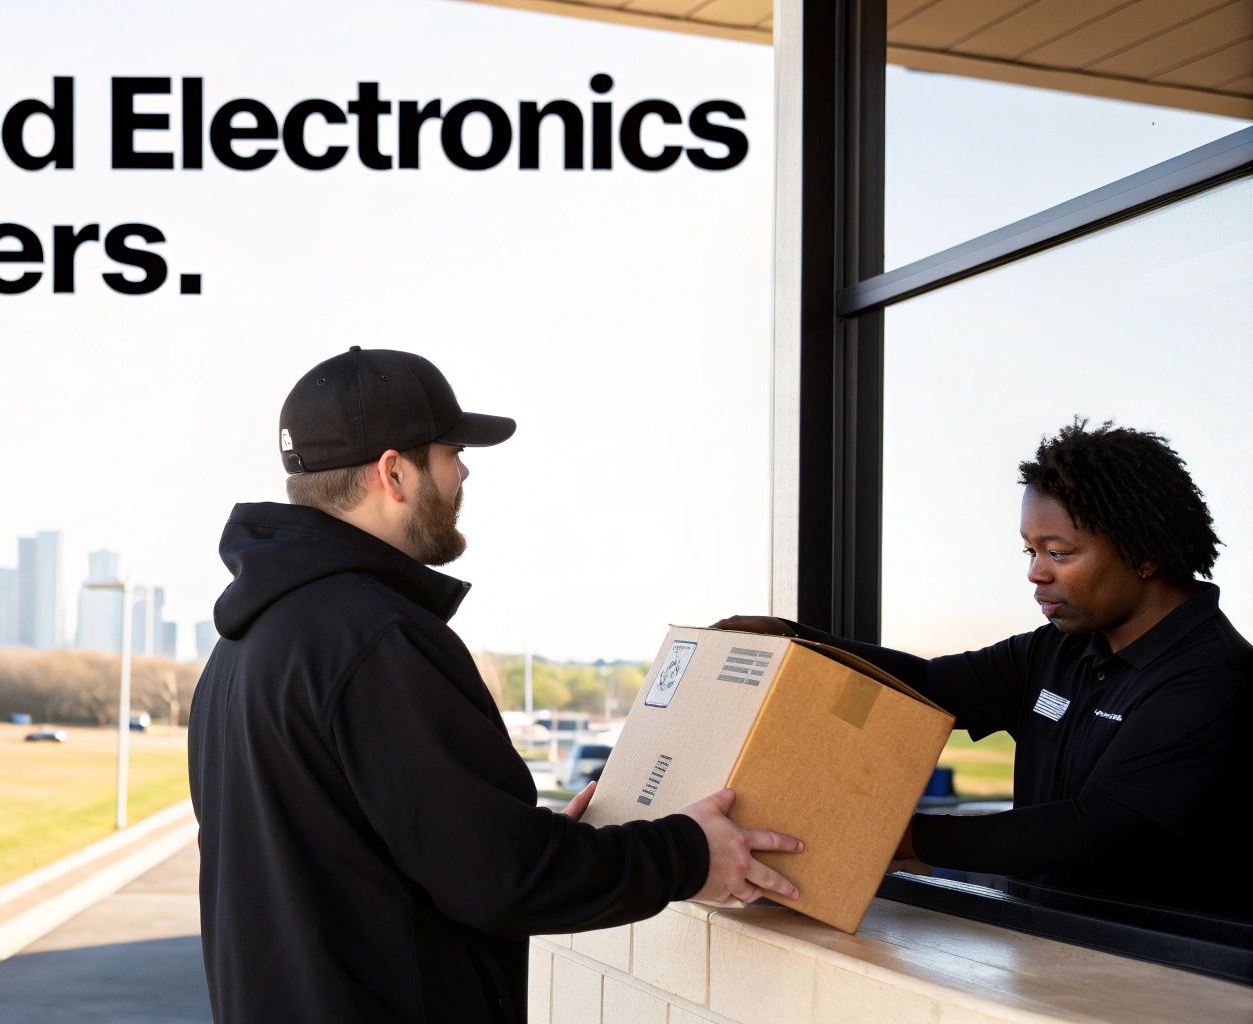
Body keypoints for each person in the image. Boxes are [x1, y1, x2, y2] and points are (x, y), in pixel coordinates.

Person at [189, 347, 803, 1023]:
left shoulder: (243, 646)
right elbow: (498, 880)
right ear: (394, 472)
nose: (464, 470)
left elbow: (403, 855)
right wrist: (688, 854)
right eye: (449, 450)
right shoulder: (376, 638)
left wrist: (532, 843)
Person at [718, 419, 1251, 918]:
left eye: (1059, 553)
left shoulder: (1213, 677)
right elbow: (929, 688)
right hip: (1050, 946)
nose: (1036, 574)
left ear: (1145, 554)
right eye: (1030, 551)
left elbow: (1096, 827)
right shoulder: (1059, 649)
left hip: (1163, 974)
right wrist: (796, 642)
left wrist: (896, 836)